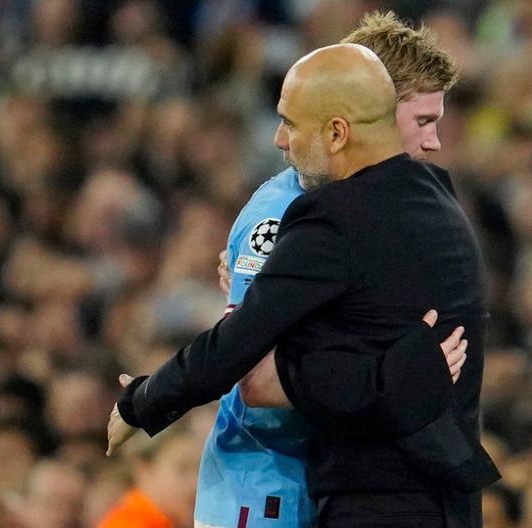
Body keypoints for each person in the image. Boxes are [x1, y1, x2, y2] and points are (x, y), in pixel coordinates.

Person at [108, 43, 498, 527]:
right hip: (436, 499)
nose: (279, 141)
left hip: (358, 496)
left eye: (290, 124)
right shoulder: (439, 203)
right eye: (422, 120)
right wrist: (390, 375)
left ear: (337, 132)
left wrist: (142, 402)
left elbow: (244, 357)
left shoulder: (332, 216)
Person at [199, 11, 465, 528]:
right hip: (267, 486)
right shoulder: (282, 214)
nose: (434, 142)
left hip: (333, 482)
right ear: (369, 114)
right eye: (422, 121)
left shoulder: (380, 214)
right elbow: (256, 380)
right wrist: (394, 377)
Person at [98, 427, 202, 528]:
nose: (195, 482)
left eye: (200, 470)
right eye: (183, 469)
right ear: (144, 469)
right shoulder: (129, 524)